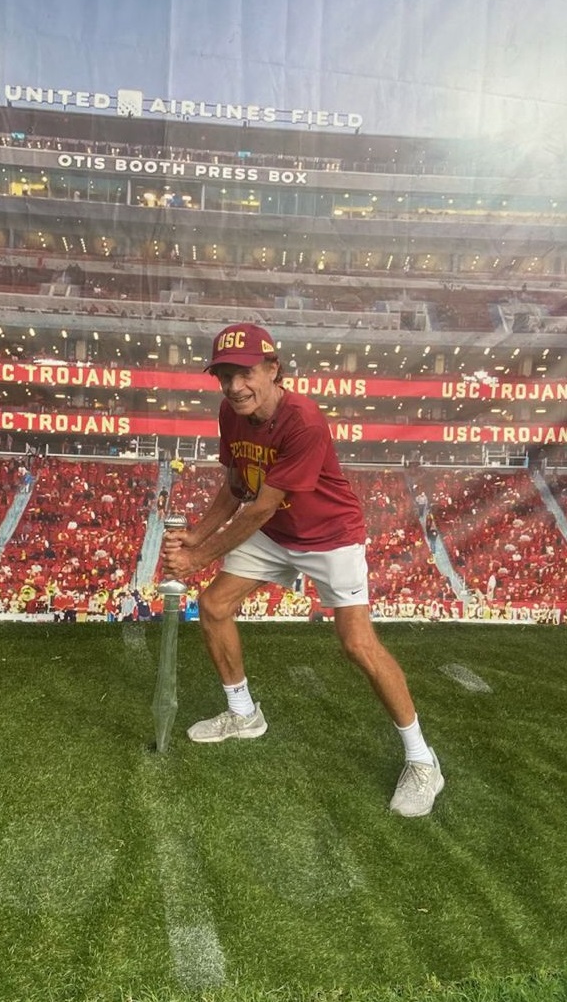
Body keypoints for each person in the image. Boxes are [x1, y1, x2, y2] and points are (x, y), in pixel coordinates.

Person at [161, 323, 444, 818]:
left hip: (329, 537)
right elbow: (235, 487)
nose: (234, 386)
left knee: (357, 644)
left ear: (273, 369)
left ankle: (423, 761)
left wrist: (197, 558)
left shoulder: (304, 421)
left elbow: (260, 508)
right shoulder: (232, 413)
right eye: (224, 376)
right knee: (214, 605)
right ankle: (243, 714)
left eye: (245, 373)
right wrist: (196, 536)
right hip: (275, 533)